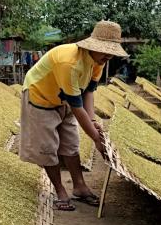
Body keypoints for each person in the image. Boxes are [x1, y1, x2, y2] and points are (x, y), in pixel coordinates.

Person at [19, 21, 129, 211]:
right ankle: (60, 190)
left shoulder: (99, 61)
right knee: (47, 147)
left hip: (65, 98)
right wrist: (96, 138)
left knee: (71, 143)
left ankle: (79, 187)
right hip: (40, 97)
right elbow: (77, 108)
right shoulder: (69, 62)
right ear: (92, 47)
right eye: (105, 51)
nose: (108, 56)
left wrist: (93, 122)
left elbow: (89, 92)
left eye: (111, 52)